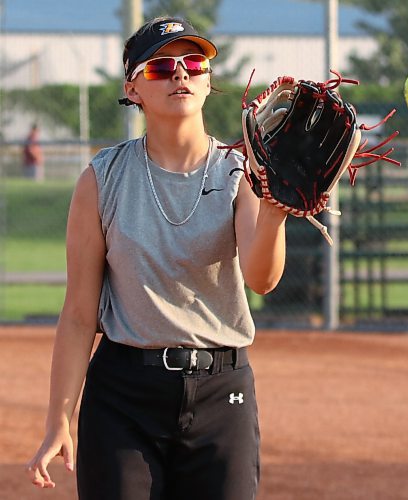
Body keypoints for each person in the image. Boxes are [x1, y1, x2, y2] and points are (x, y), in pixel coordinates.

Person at [26, 16, 287, 500]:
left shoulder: (242, 172)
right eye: (161, 68)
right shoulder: (102, 178)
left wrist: (272, 213)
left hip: (221, 393)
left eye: (193, 63)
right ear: (133, 88)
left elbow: (262, 279)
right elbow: (81, 313)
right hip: (123, 396)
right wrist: (58, 419)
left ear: (209, 81)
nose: (180, 74)